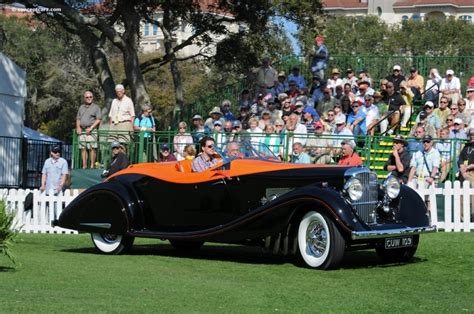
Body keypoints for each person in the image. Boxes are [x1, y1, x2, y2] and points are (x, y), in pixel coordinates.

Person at [76, 91, 102, 169]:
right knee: (83, 148)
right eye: (87, 97)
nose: (89, 98)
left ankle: (92, 165)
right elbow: (78, 119)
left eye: (90, 97)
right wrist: (78, 127)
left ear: (92, 97)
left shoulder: (96, 107)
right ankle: (84, 165)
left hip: (91, 130)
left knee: (92, 148)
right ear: (84, 98)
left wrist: (91, 128)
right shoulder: (81, 107)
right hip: (83, 131)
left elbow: (98, 119)